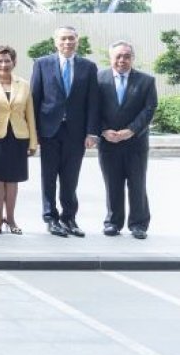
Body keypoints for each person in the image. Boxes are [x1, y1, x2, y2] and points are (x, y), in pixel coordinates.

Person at [30, 25, 99, 237]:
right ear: (55, 42)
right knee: (49, 177)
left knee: (70, 178)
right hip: (49, 131)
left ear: (77, 41)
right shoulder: (42, 64)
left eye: (71, 39)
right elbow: (34, 99)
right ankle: (50, 218)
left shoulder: (88, 67)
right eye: (63, 39)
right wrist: (35, 135)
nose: (67, 42)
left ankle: (69, 218)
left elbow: (92, 102)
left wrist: (91, 132)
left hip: (76, 133)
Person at [97, 41, 157, 239]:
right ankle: (113, 222)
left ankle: (138, 224)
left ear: (133, 58)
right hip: (108, 142)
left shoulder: (146, 81)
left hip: (136, 143)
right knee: (112, 183)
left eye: (126, 56)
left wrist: (131, 131)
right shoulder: (99, 79)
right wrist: (104, 130)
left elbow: (149, 109)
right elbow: (93, 108)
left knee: (137, 183)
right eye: (118, 56)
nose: (122, 60)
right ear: (111, 57)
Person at [0, 45, 38, 235]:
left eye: (7, 60)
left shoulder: (24, 84)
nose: (4, 64)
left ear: (14, 62)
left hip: (18, 137)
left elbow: (30, 114)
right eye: (0, 60)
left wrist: (33, 142)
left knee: (13, 180)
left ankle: (11, 218)